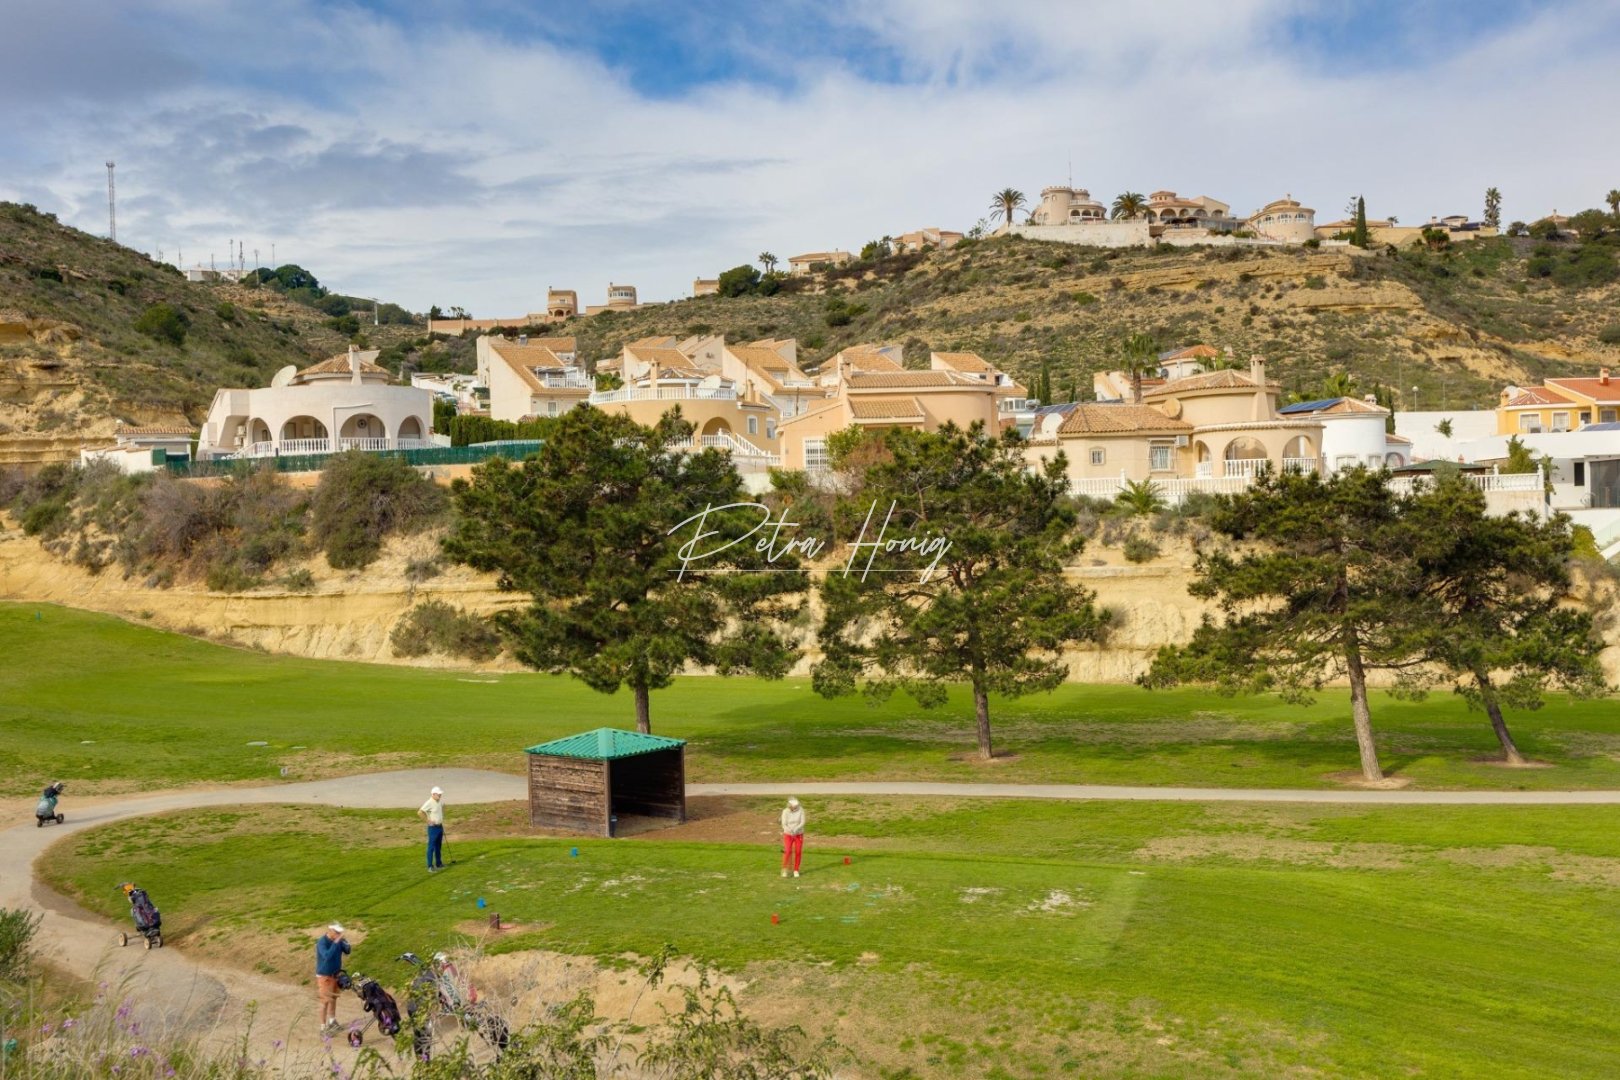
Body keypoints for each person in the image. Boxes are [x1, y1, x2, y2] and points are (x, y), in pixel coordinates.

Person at [315, 923, 350, 1033]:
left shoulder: (338, 941)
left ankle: (332, 1021)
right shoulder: (322, 942)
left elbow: (348, 951)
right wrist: (335, 943)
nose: (339, 934)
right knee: (325, 1001)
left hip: (335, 975)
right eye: (337, 932)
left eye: (340, 932)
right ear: (330, 931)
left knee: (333, 998)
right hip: (325, 976)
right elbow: (327, 956)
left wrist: (345, 942)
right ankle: (323, 1027)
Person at [418, 786, 445, 873]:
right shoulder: (429, 802)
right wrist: (428, 821)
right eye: (439, 794)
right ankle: (430, 866)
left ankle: (438, 863)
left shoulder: (439, 801)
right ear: (433, 794)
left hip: (440, 826)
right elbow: (420, 812)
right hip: (433, 828)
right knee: (431, 847)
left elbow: (442, 808)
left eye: (440, 794)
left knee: (438, 846)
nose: (440, 795)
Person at [780, 797, 805, 878]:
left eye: (796, 805)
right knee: (787, 851)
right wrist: (790, 831)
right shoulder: (785, 811)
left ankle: (796, 870)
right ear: (790, 805)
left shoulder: (801, 810)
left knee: (798, 852)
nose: (795, 806)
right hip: (788, 834)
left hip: (799, 834)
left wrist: (796, 829)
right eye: (794, 805)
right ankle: (784, 870)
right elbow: (784, 824)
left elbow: (802, 822)